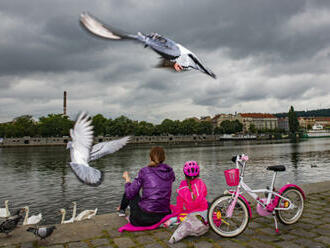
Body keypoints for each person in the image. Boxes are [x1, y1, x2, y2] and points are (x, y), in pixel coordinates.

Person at [118, 146, 175, 226]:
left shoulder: (144, 171)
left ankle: (121, 210)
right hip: (164, 215)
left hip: (145, 217)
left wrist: (127, 180)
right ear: (164, 158)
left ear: (150, 157)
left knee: (131, 190)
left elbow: (130, 192)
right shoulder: (170, 172)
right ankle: (122, 209)